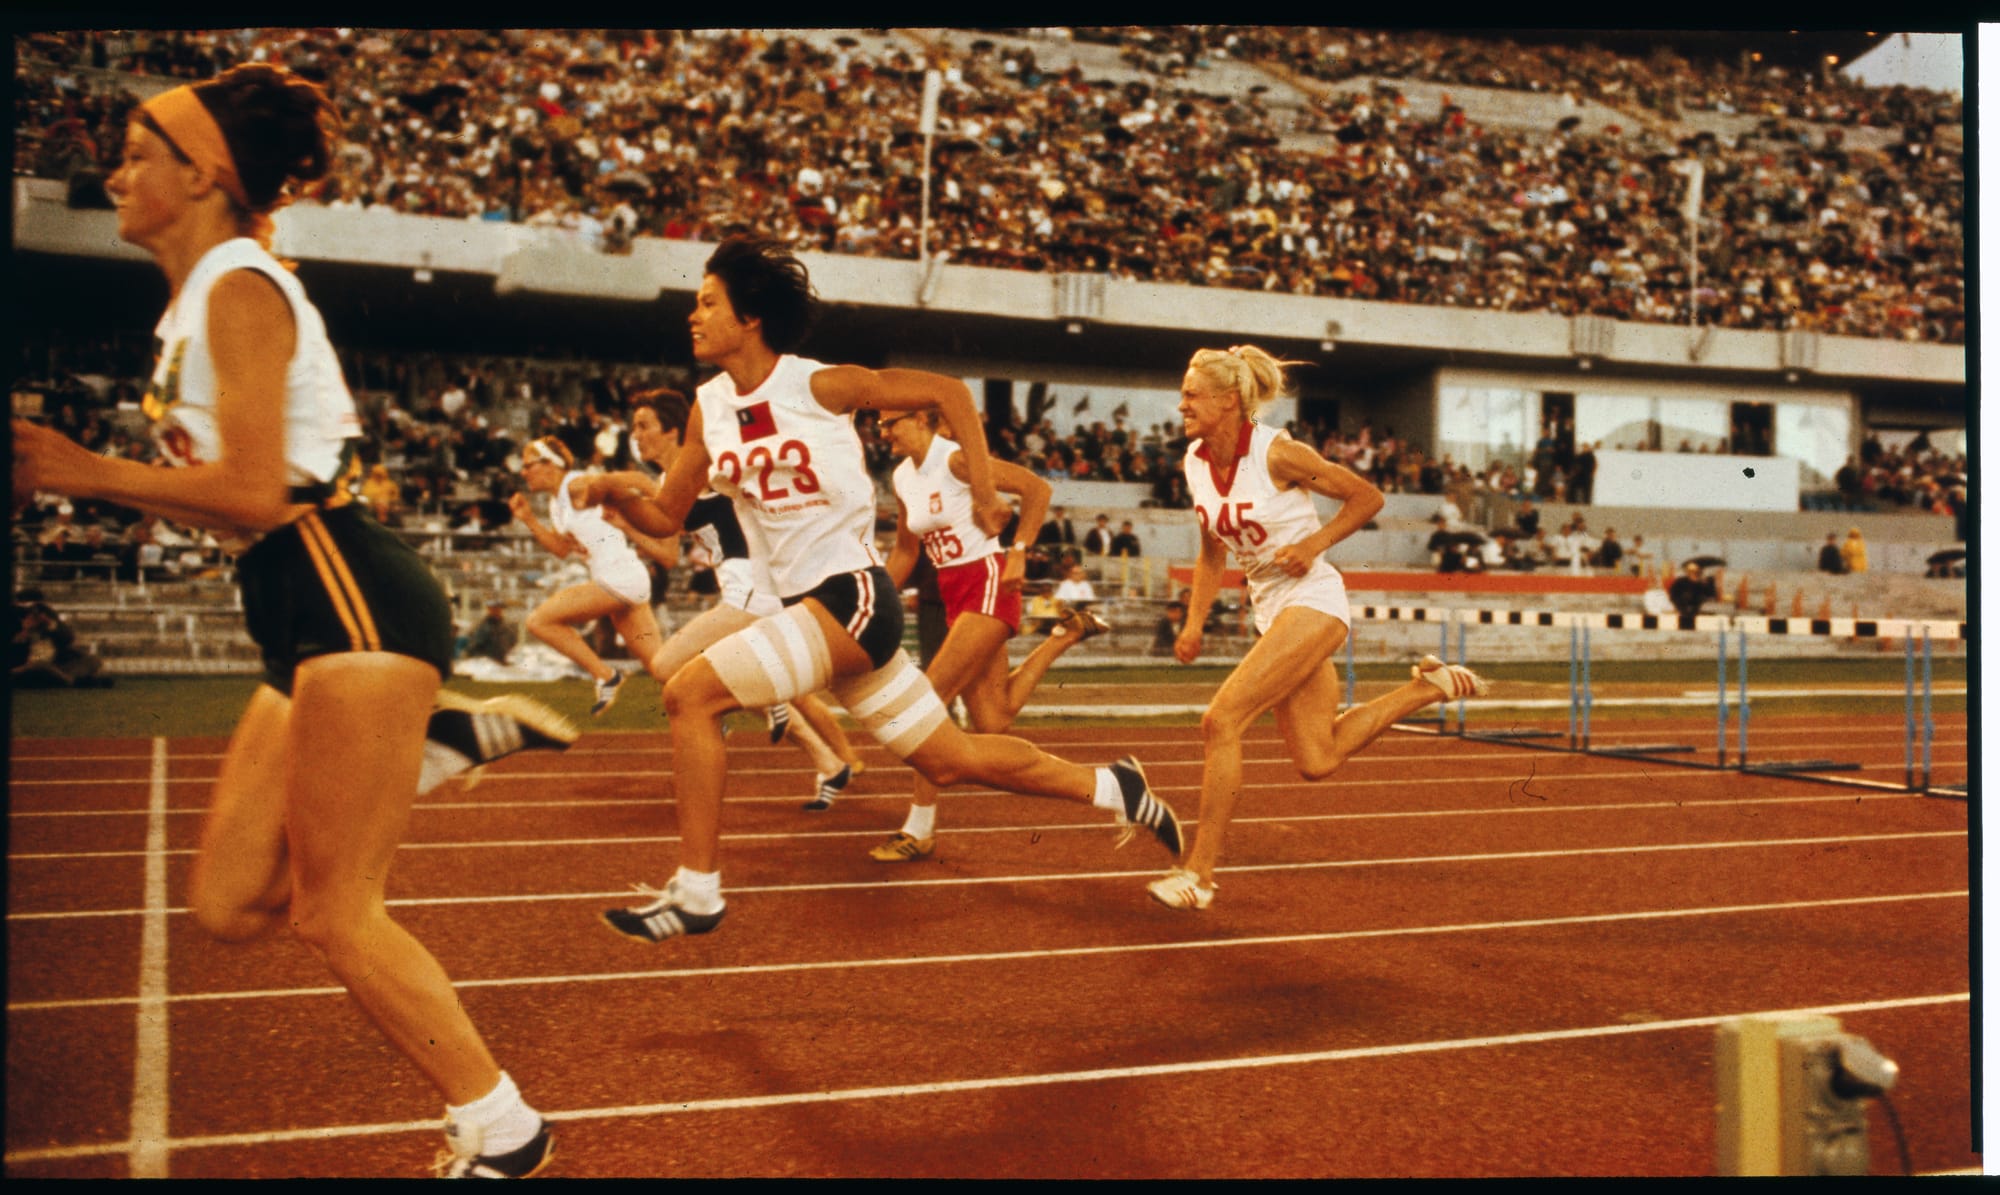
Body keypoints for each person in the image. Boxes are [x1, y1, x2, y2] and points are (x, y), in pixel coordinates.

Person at [8, 65, 572, 1178]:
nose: (114, 171)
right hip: (293, 604)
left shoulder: (237, 286)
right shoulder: (199, 299)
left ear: (202, 170)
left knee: (334, 911)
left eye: (136, 150)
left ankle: (501, 1129)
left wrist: (83, 469)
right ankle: (432, 749)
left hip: (342, 584)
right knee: (226, 901)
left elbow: (262, 492)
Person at [600, 237, 1183, 941]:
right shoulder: (707, 408)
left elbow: (950, 393)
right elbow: (667, 514)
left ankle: (697, 892)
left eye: (707, 302)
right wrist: (612, 492)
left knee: (688, 692)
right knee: (951, 757)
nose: (691, 315)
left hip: (851, 597)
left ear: (749, 317)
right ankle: (1116, 787)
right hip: (817, 616)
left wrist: (989, 485)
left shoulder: (819, 385)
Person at [1148, 345, 1488, 911]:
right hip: (1270, 610)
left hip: (1313, 600)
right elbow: (1211, 552)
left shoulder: (1278, 453)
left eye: (1191, 393)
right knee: (1317, 759)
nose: (1181, 403)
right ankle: (1428, 688)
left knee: (1221, 720)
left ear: (1228, 400)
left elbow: (1367, 496)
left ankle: (1199, 875)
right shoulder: (1194, 461)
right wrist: (1194, 622)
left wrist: (1312, 544)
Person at [869, 406, 1110, 862]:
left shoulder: (956, 460)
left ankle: (919, 828)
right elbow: (904, 550)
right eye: (879, 424)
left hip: (987, 582)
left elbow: (1037, 489)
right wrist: (872, 595)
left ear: (922, 420)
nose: (883, 432)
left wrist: (1019, 551)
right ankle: (1063, 636)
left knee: (926, 702)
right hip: (953, 591)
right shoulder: (902, 477)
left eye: (890, 422)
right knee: (993, 720)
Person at [614, 388, 864, 811]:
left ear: (673, 430)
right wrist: (628, 520)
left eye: (644, 426)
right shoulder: (667, 483)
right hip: (739, 585)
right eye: (634, 426)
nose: (635, 435)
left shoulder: (709, 467)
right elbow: (667, 552)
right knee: (760, 684)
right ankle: (828, 762)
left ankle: (781, 714)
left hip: (754, 584)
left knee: (669, 665)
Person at [507, 434, 667, 715]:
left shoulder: (576, 484)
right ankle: (722, 712)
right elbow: (561, 549)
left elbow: (637, 480)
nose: (523, 472)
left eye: (528, 464)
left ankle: (606, 675)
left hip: (618, 578)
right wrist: (529, 520)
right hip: (623, 579)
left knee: (540, 621)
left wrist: (659, 494)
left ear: (550, 464)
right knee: (662, 667)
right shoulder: (556, 502)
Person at [11, 599, 109, 687]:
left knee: (93, 660)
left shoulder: (48, 621)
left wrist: (51, 625)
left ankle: (68, 680)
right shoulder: (15, 622)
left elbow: (68, 638)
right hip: (25, 668)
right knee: (39, 666)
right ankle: (75, 681)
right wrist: (25, 630)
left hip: (56, 667)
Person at [463, 601, 518, 665]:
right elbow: (472, 646)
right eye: (494, 608)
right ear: (489, 609)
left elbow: (513, 640)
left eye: (498, 608)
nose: (496, 611)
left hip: (501, 661)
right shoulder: (481, 626)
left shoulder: (507, 625)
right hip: (484, 663)